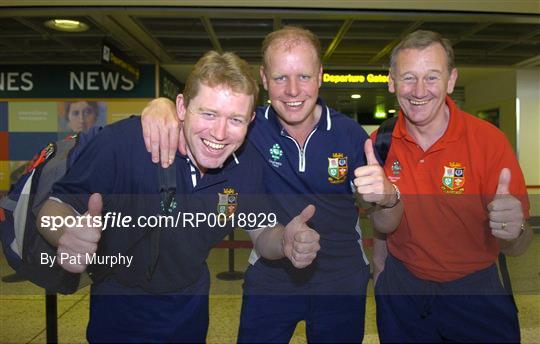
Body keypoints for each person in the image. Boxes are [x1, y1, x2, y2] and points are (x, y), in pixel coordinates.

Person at [141, 26, 402, 343]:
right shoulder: (247, 128)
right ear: (264, 79)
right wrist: (163, 106)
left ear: (320, 75)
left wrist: (388, 198)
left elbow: (386, 222)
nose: (293, 90)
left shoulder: (350, 135)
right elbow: (202, 123)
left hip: (341, 282)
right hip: (269, 277)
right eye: (280, 78)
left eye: (304, 77)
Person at [37, 51, 321, 343]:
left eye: (235, 119)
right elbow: (54, 207)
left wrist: (284, 241)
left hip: (190, 308)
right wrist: (65, 234)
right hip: (119, 307)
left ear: (250, 120)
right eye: (209, 114)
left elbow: (261, 230)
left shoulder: (246, 165)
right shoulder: (124, 143)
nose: (220, 133)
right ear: (182, 107)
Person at [371, 30, 533, 343]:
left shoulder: (488, 142)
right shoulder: (379, 143)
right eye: (408, 77)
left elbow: (519, 245)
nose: (419, 90)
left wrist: (517, 231)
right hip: (404, 290)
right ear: (391, 81)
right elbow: (380, 223)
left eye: (432, 77)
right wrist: (381, 275)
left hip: (475, 290)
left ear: (451, 80)